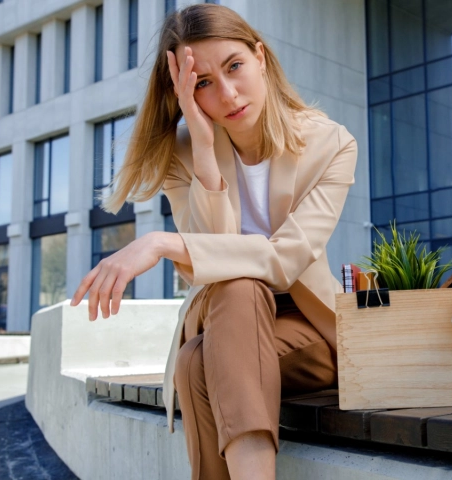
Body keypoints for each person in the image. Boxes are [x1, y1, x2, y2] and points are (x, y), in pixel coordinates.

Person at [69, 4, 357, 479]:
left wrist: (161, 243)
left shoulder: (332, 144)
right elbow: (218, 265)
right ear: (185, 93)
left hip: (305, 322)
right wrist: (204, 151)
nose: (226, 93)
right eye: (201, 83)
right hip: (221, 308)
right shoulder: (180, 154)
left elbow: (285, 260)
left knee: (194, 363)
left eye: (234, 67)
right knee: (239, 289)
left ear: (259, 57)